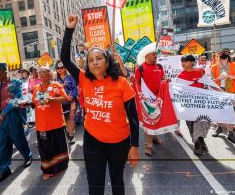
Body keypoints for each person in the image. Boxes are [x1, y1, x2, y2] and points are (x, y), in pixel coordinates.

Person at [61, 15, 139, 195]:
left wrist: (134, 146)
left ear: (107, 61)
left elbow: (133, 117)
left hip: (119, 142)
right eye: (91, 60)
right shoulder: (83, 79)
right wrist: (69, 29)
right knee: (95, 186)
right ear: (87, 64)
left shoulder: (121, 83)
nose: (95, 62)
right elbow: (65, 58)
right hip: (92, 142)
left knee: (118, 182)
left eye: (99, 58)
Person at [0, 63, 32, 184]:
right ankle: (4, 169)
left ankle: (27, 155)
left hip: (13, 115)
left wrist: (2, 114)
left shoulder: (17, 83)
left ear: (5, 71)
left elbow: (16, 101)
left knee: (18, 139)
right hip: (2, 118)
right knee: (2, 144)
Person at [31, 65, 69, 180]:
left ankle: (61, 167)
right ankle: (47, 170)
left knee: (58, 147)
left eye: (44, 71)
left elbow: (64, 99)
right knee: (45, 149)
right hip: (42, 125)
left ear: (49, 73)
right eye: (39, 72)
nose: (41, 73)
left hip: (56, 123)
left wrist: (51, 99)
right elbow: (34, 102)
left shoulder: (55, 85)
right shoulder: (36, 87)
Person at [135, 42, 167, 156]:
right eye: (153, 54)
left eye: (156, 54)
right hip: (146, 101)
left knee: (157, 119)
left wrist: (166, 80)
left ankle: (154, 138)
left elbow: (163, 78)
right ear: (147, 56)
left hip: (159, 99)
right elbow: (136, 84)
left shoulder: (159, 66)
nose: (156, 56)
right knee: (149, 123)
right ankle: (148, 146)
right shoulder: (140, 68)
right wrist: (141, 99)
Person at [177, 55, 209, 155]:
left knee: (202, 122)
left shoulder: (200, 72)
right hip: (188, 104)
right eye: (182, 62)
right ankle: (196, 144)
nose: (182, 64)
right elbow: (178, 91)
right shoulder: (180, 76)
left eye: (185, 62)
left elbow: (208, 84)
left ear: (191, 62)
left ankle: (201, 139)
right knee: (191, 124)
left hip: (201, 103)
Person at [209, 49, 235, 144]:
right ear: (218, 57)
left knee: (231, 112)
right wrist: (218, 78)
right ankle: (219, 127)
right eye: (221, 55)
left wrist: (233, 76)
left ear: (228, 56)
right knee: (219, 111)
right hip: (219, 91)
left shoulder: (234, 65)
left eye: (225, 55)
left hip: (232, 92)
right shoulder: (214, 67)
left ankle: (230, 133)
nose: (223, 57)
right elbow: (210, 81)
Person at [55, 61, 78, 144]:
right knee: (63, 120)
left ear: (65, 68)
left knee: (71, 118)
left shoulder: (70, 78)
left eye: (62, 67)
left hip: (71, 102)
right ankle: (66, 135)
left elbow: (75, 89)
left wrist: (71, 96)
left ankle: (71, 136)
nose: (60, 69)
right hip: (61, 103)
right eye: (58, 68)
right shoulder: (55, 80)